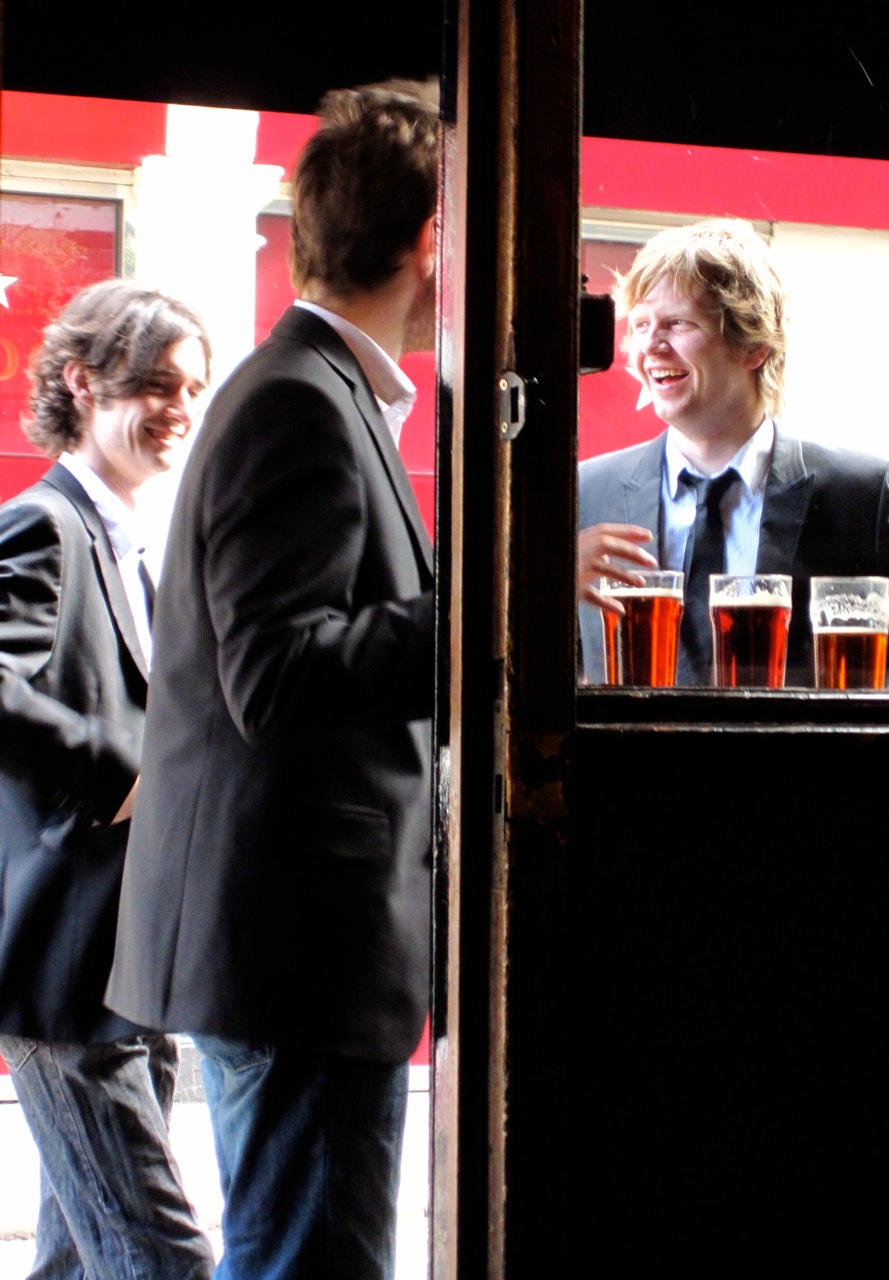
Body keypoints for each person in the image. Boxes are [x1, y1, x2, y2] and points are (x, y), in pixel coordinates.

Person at [105, 86, 438, 1280]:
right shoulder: (300, 397)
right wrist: (491, 609)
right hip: (299, 957)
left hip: (288, 951)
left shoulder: (313, 387)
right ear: (434, 240)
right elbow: (278, 673)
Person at [0, 279, 215, 1279]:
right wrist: (123, 778)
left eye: (193, 389)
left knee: (81, 1259)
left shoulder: (130, 542)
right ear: (83, 383)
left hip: (131, 961)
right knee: (162, 1256)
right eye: (157, 384)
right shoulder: (44, 525)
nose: (179, 408)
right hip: (67, 969)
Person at [578, 217, 889, 686]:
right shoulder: (585, 495)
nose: (650, 346)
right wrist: (542, 588)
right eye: (640, 325)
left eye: (678, 323)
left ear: (754, 346)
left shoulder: (864, 498)